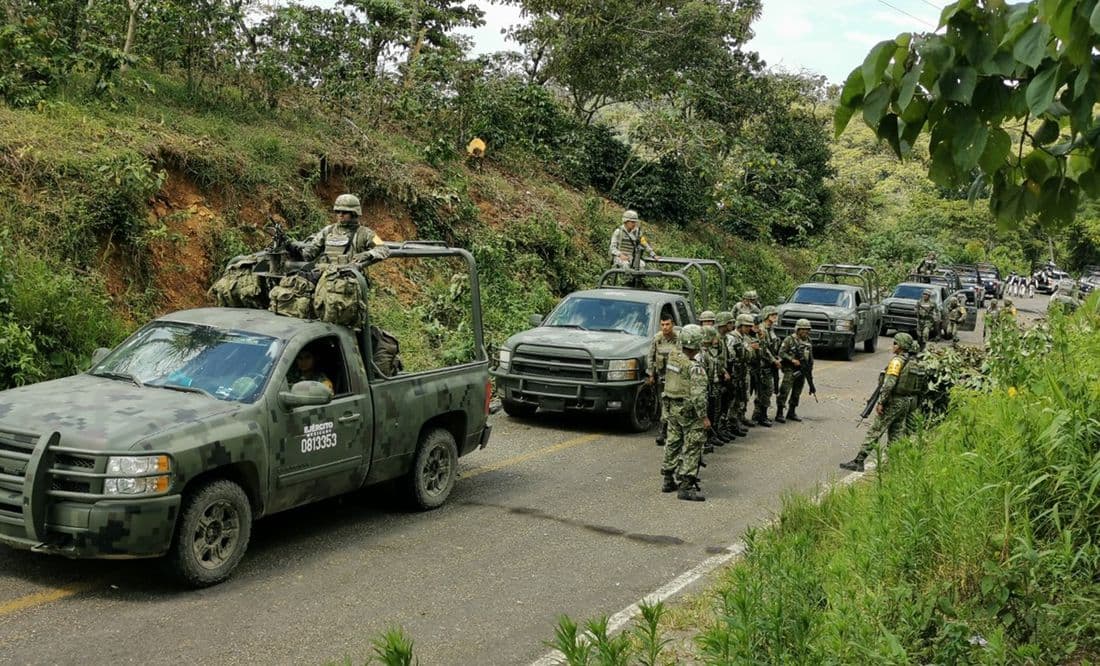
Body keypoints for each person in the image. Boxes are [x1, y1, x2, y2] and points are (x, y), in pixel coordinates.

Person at [840, 332, 921, 472]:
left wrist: (881, 402)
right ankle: (893, 464)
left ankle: (859, 461)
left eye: (895, 343)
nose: (893, 346)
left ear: (901, 346)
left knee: (876, 430)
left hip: (894, 401)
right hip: (905, 402)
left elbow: (889, 384)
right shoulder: (913, 362)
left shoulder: (897, 362)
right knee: (896, 432)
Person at [659, 324, 708, 502]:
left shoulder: (673, 357)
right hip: (688, 410)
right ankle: (686, 485)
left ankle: (667, 479)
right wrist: (704, 417)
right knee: (693, 444)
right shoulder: (695, 366)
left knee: (673, 441)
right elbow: (698, 395)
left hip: (671, 406)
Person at [292, 194, 390, 265]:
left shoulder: (366, 233)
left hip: (351, 280)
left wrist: (368, 254)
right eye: (338, 211)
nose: (340, 215)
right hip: (326, 279)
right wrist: (292, 247)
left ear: (354, 213)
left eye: (345, 212)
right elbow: (309, 254)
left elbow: (383, 248)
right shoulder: (328, 231)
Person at [646, 312, 680, 447]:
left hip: (676, 378)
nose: (665, 327)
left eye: (667, 324)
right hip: (661, 377)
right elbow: (651, 356)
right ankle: (662, 431)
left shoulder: (679, 339)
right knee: (663, 405)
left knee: (675, 405)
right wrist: (651, 375)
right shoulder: (657, 338)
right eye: (662, 325)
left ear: (673, 325)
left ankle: (674, 431)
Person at [776, 318, 814, 423]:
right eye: (803, 329)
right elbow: (781, 353)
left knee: (797, 391)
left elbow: (810, 355)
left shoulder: (808, 340)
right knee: (785, 390)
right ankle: (779, 412)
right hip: (790, 369)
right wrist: (792, 360)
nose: (806, 332)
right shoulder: (790, 339)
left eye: (807, 329)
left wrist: (810, 369)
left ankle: (792, 411)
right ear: (797, 329)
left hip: (802, 369)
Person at [726, 314, 758, 431]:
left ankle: (740, 418)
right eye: (746, 326)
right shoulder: (732, 338)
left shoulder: (745, 337)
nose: (749, 328)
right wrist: (749, 349)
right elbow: (731, 356)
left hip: (744, 371)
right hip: (735, 372)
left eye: (750, 326)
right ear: (739, 325)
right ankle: (732, 422)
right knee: (734, 398)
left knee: (744, 396)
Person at [752, 305, 781, 426]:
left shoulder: (770, 329)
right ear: (766, 316)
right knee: (766, 390)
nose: (774, 317)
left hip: (770, 364)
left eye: (775, 314)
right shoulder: (762, 330)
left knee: (766, 390)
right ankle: (762, 416)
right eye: (772, 315)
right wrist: (773, 360)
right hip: (764, 365)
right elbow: (764, 348)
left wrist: (776, 357)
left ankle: (758, 414)